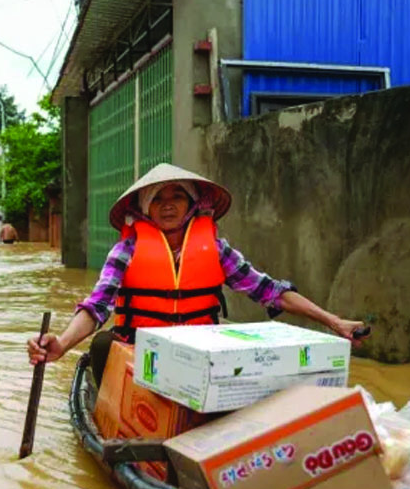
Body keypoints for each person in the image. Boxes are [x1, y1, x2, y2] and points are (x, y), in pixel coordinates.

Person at [27, 163, 369, 385]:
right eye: (158, 198)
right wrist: (62, 344)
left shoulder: (216, 250)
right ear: (145, 208)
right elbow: (97, 307)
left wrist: (333, 322)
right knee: (103, 345)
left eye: (178, 196)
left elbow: (271, 291)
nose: (169, 204)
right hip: (143, 357)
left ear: (193, 204)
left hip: (201, 359)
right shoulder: (126, 251)